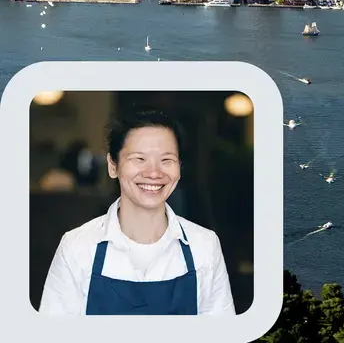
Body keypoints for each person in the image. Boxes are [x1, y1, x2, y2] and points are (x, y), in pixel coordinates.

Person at [39, 107, 235, 316]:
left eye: (166, 160)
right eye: (139, 159)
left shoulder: (204, 246)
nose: (153, 172)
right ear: (113, 166)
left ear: (179, 167)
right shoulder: (77, 248)